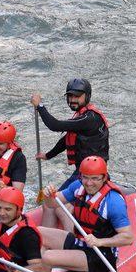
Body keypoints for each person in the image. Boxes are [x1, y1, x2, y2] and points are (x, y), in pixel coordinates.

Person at [31, 78, 110, 227]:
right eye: (70, 96)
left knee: (56, 206)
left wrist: (40, 106)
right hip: (81, 173)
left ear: (87, 96)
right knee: (52, 203)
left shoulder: (90, 118)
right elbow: (67, 139)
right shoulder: (81, 116)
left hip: (92, 176)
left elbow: (55, 125)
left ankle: (68, 240)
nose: (73, 100)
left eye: (77, 96)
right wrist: (48, 155)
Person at [38, 156, 133, 272]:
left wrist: (99, 242)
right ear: (80, 176)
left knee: (48, 257)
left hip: (101, 254)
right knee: (37, 233)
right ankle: (41, 268)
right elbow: (52, 204)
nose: (89, 183)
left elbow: (128, 238)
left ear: (104, 178)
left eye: (95, 178)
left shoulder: (113, 202)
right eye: (85, 177)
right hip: (81, 241)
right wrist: (47, 196)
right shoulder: (78, 186)